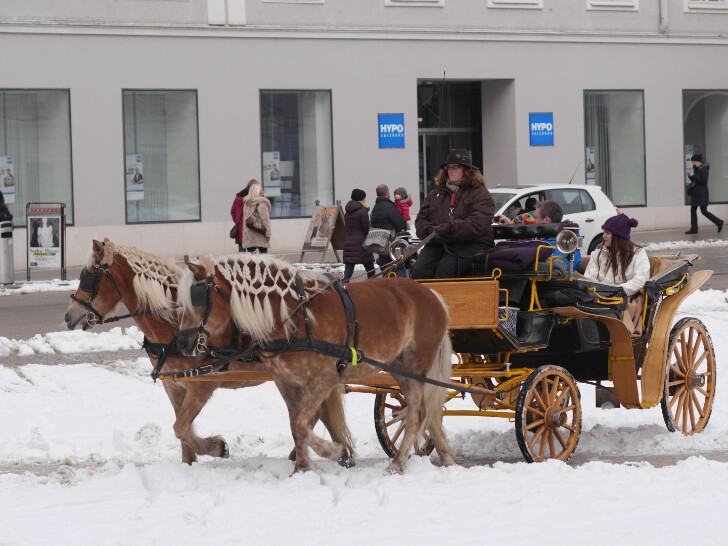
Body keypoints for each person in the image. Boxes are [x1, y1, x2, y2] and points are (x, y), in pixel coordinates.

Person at [412, 149, 495, 279]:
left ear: (466, 170)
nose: (451, 170)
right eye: (449, 167)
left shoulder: (480, 193)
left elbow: (477, 225)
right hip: (440, 241)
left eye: (455, 167)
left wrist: (449, 228)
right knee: (419, 271)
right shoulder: (436, 193)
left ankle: (444, 294)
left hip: (473, 242)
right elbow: (421, 220)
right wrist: (432, 231)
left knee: (446, 269)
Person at [582, 213, 650, 335]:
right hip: (600, 298)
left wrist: (617, 291)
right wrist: (600, 293)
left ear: (618, 236)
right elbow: (588, 279)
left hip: (625, 298)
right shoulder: (597, 254)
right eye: (604, 232)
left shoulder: (638, 253)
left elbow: (641, 279)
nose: (603, 236)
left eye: (607, 233)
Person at [496, 200, 581, 270]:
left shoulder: (566, 243)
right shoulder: (543, 239)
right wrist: (509, 226)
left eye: (536, 217)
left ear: (546, 219)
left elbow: (557, 268)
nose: (533, 221)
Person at [371, 184, 407, 275]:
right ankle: (400, 282)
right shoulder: (389, 207)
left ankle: (387, 282)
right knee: (398, 265)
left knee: (385, 267)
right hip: (391, 242)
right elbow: (400, 224)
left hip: (380, 242)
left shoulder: (375, 208)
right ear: (387, 193)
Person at [685, 153, 723, 234]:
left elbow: (703, 181)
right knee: (693, 210)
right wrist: (691, 177)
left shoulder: (704, 169)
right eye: (692, 162)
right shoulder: (696, 168)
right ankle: (694, 229)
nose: (693, 163)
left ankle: (719, 222)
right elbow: (696, 181)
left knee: (704, 211)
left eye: (694, 162)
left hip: (702, 193)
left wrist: (694, 176)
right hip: (696, 193)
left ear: (699, 161)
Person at [342, 189, 375, 281]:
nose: (365, 199)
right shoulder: (362, 211)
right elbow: (366, 228)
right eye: (364, 198)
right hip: (362, 242)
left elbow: (347, 227)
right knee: (369, 267)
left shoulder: (347, 211)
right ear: (361, 198)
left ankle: (344, 282)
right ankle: (371, 283)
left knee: (349, 265)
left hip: (349, 240)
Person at [242, 182, 272, 254]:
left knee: (251, 259)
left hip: (249, 234)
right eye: (262, 190)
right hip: (260, 233)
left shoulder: (247, 203)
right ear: (257, 191)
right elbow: (265, 219)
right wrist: (268, 233)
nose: (263, 192)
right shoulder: (262, 202)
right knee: (263, 258)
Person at [231, 179, 258, 252]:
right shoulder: (254, 199)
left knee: (241, 252)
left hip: (241, 228)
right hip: (251, 228)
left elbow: (233, 211)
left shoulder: (238, 198)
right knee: (252, 254)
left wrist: (237, 221)